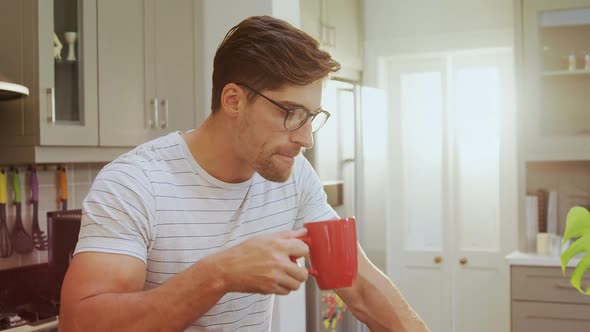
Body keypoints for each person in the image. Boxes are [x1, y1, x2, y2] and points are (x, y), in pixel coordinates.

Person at [59, 15, 429, 332]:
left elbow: (358, 283)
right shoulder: (135, 183)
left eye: (312, 117)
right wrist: (219, 274)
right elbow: (80, 324)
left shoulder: (295, 175)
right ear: (233, 100)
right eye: (290, 113)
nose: (305, 139)